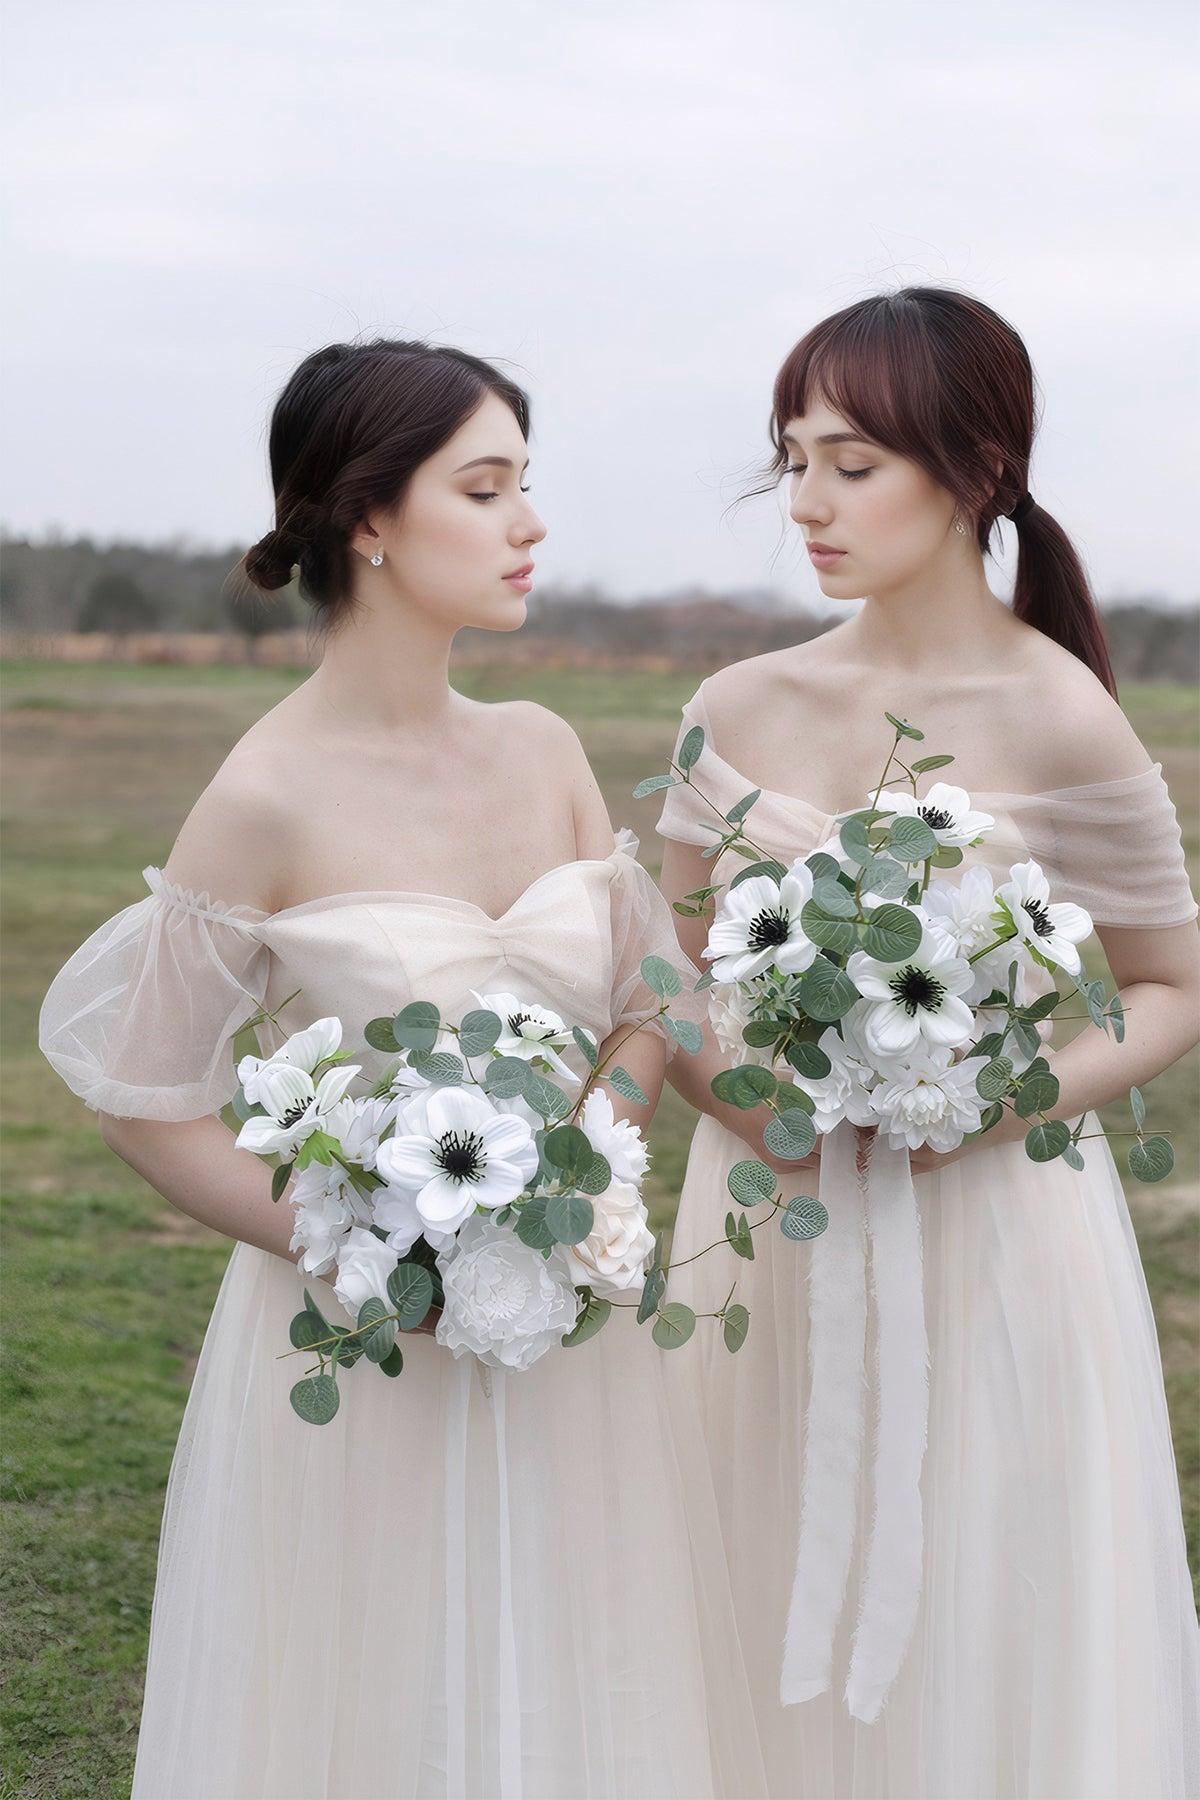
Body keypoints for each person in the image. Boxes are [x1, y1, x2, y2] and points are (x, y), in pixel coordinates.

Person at [39, 339, 765, 1800]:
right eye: (485, 489)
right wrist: (372, 1243)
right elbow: (148, 1099)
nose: (529, 525)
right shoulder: (262, 795)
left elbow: (648, 1000)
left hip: (577, 1328)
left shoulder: (545, 746)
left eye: (524, 487)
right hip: (362, 1344)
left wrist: (593, 1163)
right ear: (367, 518)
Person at [657, 288, 1200, 1798]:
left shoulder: (1060, 714)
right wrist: (748, 1100)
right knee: (741, 1574)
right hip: (766, 1229)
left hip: (994, 1233)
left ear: (975, 471)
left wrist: (1000, 1102)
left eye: (853, 463)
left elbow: (1169, 985)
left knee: (982, 1609)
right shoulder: (736, 702)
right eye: (795, 462)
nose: (810, 505)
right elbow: (671, 968)